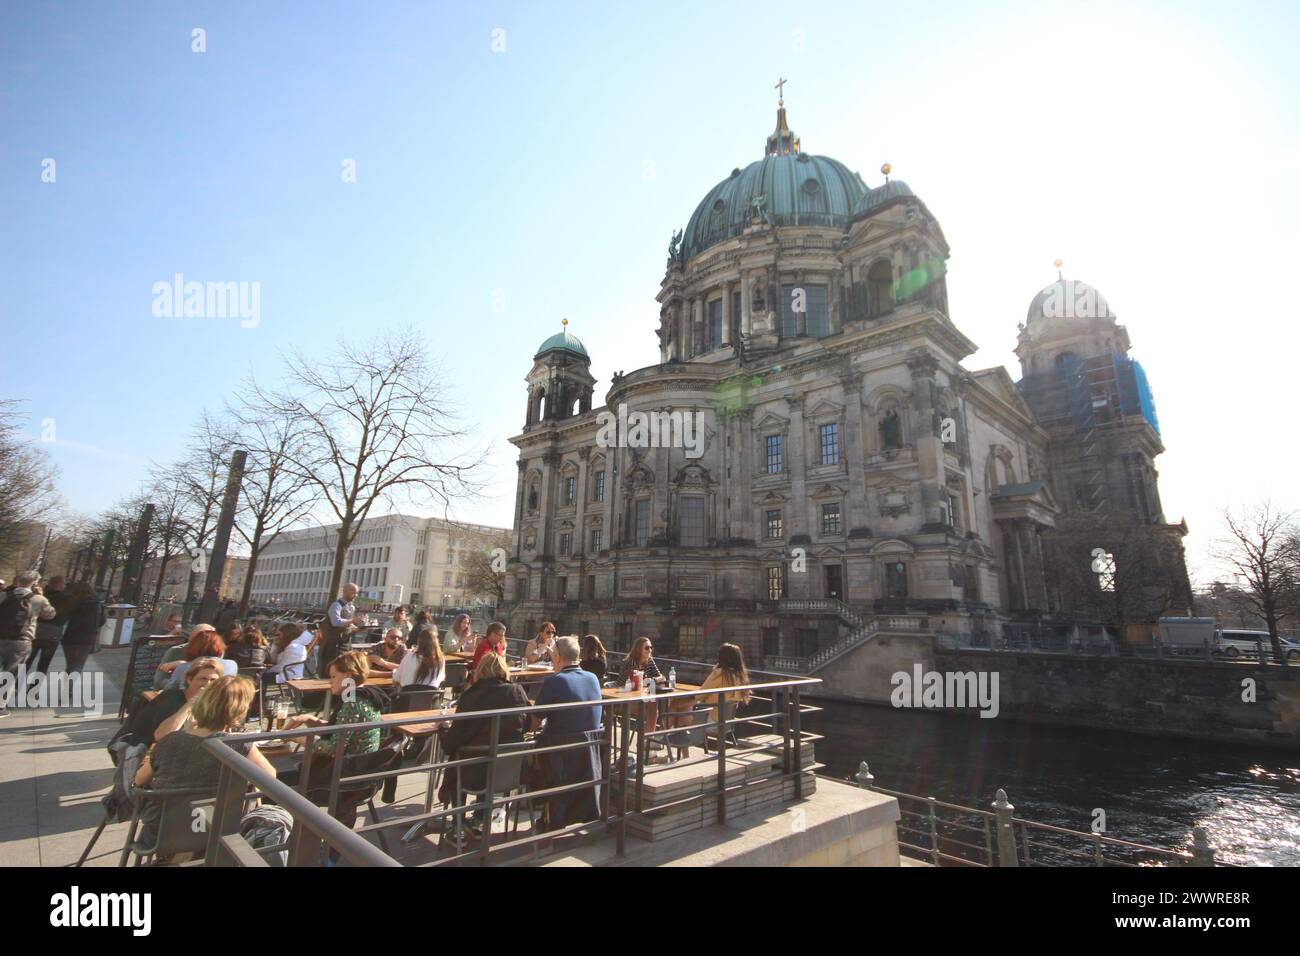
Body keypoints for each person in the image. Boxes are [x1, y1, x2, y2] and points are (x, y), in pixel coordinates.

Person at [134, 674, 276, 850]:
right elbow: (269, 778)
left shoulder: (169, 741)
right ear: (240, 709)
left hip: (163, 833)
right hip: (221, 832)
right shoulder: (239, 745)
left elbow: (139, 780)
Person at [439, 652, 529, 838]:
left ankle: (458, 826)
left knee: (459, 758)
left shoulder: (471, 697)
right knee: (489, 752)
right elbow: (526, 725)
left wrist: (443, 729)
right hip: (507, 771)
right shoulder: (516, 691)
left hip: (473, 772)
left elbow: (453, 742)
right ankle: (480, 820)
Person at [279, 651, 386, 786]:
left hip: (348, 776)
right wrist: (312, 721)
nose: (330, 681)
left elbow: (334, 748)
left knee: (274, 782)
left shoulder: (353, 703)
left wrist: (298, 737)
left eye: (334, 676)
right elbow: (345, 729)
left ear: (348, 675)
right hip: (362, 768)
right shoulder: (366, 695)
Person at [531, 636, 602, 829]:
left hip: (560, 754)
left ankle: (531, 806)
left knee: (525, 757)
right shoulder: (593, 678)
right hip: (587, 753)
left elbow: (533, 723)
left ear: (557, 656)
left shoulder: (554, 681)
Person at [120, 657, 224, 747]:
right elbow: (163, 736)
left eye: (213, 680)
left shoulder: (213, 704)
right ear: (189, 679)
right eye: (203, 679)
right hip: (144, 750)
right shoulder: (171, 699)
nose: (207, 684)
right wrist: (192, 702)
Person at [0, 571, 57, 717]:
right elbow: (50, 614)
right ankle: (1, 706)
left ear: (18, 581)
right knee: (11, 672)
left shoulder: (4, 595)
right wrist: (41, 595)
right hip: (22, 640)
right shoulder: (38, 599)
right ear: (35, 583)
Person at [154, 624, 225, 691]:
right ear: (191, 638)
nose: (207, 642)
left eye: (211, 637)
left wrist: (183, 664)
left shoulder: (218, 652)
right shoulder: (175, 651)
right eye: (200, 638)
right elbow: (158, 682)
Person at [29, 575, 73, 676]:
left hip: (36, 630)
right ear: (61, 584)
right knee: (44, 664)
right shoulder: (66, 597)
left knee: (27, 660)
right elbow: (67, 615)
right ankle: (33, 690)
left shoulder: (40, 594)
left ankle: (16, 686)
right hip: (53, 633)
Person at [59, 581, 104, 674]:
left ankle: (67, 685)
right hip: (87, 637)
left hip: (70, 636)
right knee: (78, 665)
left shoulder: (71, 601)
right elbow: (102, 620)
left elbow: (63, 618)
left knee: (70, 665)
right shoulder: (97, 603)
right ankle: (69, 687)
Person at [320, 583, 360, 666]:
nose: (356, 595)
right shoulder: (336, 605)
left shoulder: (352, 607)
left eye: (356, 593)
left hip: (346, 644)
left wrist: (357, 628)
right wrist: (353, 621)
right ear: (345, 592)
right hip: (334, 645)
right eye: (353, 593)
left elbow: (347, 624)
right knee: (331, 669)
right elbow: (336, 622)